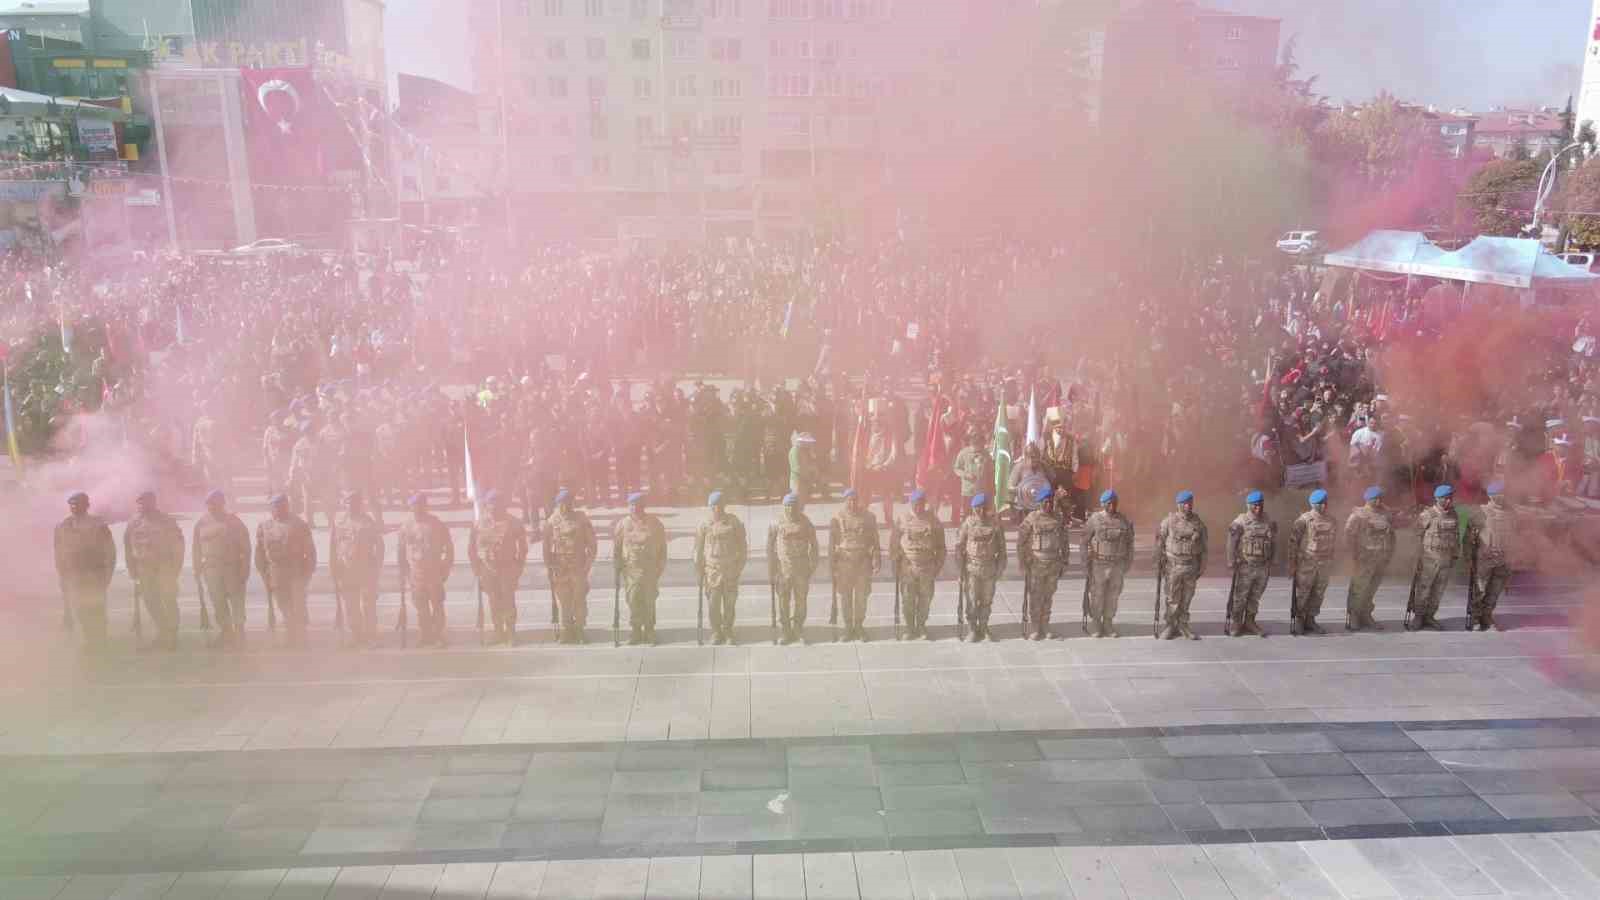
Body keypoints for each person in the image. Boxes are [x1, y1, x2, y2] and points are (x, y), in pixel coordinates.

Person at [123, 490, 186, 652]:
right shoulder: (133, 523)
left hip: (164, 567)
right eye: (139, 502)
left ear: (153, 502)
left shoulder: (167, 521)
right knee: (150, 601)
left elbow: (179, 546)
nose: (142, 505)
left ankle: (172, 635)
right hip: (144, 569)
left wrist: (176, 568)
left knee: (169, 600)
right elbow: (128, 548)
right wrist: (132, 569)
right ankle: (162, 631)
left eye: (145, 502)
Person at [54, 492, 116, 653]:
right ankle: (90, 641)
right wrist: (62, 576)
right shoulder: (63, 526)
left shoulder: (98, 524)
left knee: (97, 609)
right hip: (75, 575)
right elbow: (59, 553)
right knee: (81, 610)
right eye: (72, 504)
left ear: (87, 505)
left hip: (95, 574)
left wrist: (107, 574)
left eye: (78, 504)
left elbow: (110, 550)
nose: (74, 507)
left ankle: (101, 641)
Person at [191, 490, 252, 649]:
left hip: (231, 567)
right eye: (209, 503)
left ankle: (239, 634)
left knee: (236, 601)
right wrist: (196, 567)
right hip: (211, 568)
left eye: (215, 503)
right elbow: (196, 548)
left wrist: (245, 570)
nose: (211, 506)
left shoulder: (234, 522)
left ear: (222, 504)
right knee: (218, 601)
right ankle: (226, 633)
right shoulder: (201, 523)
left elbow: (246, 549)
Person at [468, 489, 529, 646]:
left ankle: (511, 633)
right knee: (494, 602)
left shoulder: (514, 523)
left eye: (497, 503)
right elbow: (471, 548)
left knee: (508, 601)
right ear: (487, 505)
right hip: (488, 568)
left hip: (507, 567)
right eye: (491, 503)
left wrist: (519, 566)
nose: (494, 507)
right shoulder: (479, 523)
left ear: (503, 504)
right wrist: (476, 569)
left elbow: (523, 547)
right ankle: (498, 632)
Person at [255, 494, 317, 647]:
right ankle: (291, 634)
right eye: (275, 506)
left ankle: (301, 637)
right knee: (283, 605)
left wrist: (307, 574)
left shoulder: (299, 524)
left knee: (298, 605)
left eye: (281, 505)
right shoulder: (264, 526)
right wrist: (263, 573)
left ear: (287, 506)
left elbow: (310, 552)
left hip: (296, 571)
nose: (278, 509)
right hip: (276, 572)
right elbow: (260, 552)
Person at [398, 493, 455, 648]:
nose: (416, 508)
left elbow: (449, 548)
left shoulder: (436, 524)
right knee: (421, 608)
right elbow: (401, 551)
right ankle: (425, 635)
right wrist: (403, 573)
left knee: (437, 606)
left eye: (419, 505)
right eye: (413, 505)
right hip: (416, 575)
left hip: (434, 574)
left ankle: (438, 635)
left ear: (425, 506)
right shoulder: (405, 526)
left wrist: (446, 568)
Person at [890, 489, 947, 640]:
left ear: (925, 504)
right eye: (915, 504)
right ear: (911, 504)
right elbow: (894, 544)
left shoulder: (933, 521)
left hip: (927, 567)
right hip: (908, 567)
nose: (918, 507)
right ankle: (909, 628)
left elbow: (941, 547)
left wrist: (937, 567)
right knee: (908, 599)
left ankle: (921, 626)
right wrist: (895, 564)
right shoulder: (902, 519)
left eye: (921, 504)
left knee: (925, 599)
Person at [542, 488, 598, 644]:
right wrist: (549, 567)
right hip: (560, 569)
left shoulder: (581, 519)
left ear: (571, 503)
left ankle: (579, 630)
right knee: (563, 602)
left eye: (567, 503)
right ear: (557, 504)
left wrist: (587, 566)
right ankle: (566, 631)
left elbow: (592, 545)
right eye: (561, 503)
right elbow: (546, 547)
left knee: (579, 600)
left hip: (578, 568)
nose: (564, 506)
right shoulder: (551, 521)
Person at [331, 490, 385, 649]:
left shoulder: (368, 522)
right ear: (344, 504)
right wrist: (333, 567)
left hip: (366, 570)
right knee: (350, 605)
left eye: (355, 502)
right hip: (346, 570)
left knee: (368, 605)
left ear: (360, 504)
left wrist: (377, 567)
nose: (352, 505)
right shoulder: (338, 522)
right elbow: (333, 546)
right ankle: (356, 636)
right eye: (348, 502)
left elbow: (380, 545)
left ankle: (370, 636)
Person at [613, 491, 667, 645]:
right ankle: (636, 631)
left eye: (638, 505)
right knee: (633, 600)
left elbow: (663, 548)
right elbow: (616, 550)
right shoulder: (622, 524)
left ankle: (650, 631)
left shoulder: (655, 523)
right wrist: (617, 570)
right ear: (628, 506)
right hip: (630, 570)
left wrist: (659, 569)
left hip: (649, 570)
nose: (635, 508)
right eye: (632, 505)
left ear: (644, 506)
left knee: (649, 601)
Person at [828, 488, 882, 642]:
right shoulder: (836, 518)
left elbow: (875, 541)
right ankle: (847, 627)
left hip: (862, 563)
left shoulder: (869, 517)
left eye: (854, 500)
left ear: (858, 500)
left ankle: (858, 626)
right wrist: (831, 566)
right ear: (844, 501)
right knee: (845, 597)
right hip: (844, 564)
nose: (852, 503)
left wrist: (876, 559)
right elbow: (832, 544)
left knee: (861, 597)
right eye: (849, 500)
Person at [694, 491, 747, 645]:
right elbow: (698, 549)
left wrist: (739, 567)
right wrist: (699, 572)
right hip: (712, 571)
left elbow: (743, 547)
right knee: (713, 604)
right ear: (710, 507)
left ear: (724, 505)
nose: (717, 508)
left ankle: (728, 631)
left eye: (719, 505)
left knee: (730, 604)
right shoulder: (704, 524)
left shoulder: (734, 522)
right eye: (714, 505)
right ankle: (716, 632)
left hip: (730, 570)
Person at [767, 493, 820, 644]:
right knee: (783, 601)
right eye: (787, 506)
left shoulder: (806, 523)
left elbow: (814, 546)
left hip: (801, 569)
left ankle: (798, 629)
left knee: (801, 601)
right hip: (783, 569)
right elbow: (770, 548)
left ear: (798, 507)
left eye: (793, 506)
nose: (790, 509)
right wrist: (771, 571)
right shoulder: (775, 523)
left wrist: (812, 566)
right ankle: (786, 631)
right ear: (783, 507)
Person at [1017, 484, 1068, 640]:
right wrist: (1023, 562)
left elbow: (1064, 541)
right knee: (1036, 596)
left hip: (1053, 563)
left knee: (1048, 596)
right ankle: (1035, 627)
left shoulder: (1058, 518)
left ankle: (1045, 626)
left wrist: (1065, 561)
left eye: (1050, 501)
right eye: (1045, 501)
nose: (1048, 504)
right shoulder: (1031, 518)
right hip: (1037, 563)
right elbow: (1021, 541)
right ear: (1039, 502)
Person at [1081, 489, 1133, 638]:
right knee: (1097, 595)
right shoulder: (1095, 520)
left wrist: (1128, 562)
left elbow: (1129, 543)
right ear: (1103, 504)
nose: (1112, 506)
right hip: (1099, 564)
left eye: (1114, 503)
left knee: (1113, 595)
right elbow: (1084, 542)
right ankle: (1096, 623)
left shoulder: (1123, 520)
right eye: (1109, 503)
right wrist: (1085, 563)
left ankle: (1108, 623)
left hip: (1117, 564)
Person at [1156, 490, 1207, 640]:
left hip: (1191, 566)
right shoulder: (1168, 522)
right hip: (1173, 566)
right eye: (1185, 503)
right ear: (1178, 505)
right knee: (1172, 598)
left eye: (1190, 503)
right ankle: (1170, 625)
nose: (1188, 506)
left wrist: (1202, 566)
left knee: (1187, 598)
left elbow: (1204, 547)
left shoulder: (1198, 523)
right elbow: (1159, 543)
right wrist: (1158, 563)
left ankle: (1183, 625)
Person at [955, 493, 1007, 641]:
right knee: (971, 600)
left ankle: (984, 627)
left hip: (989, 568)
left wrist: (1000, 568)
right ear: (973, 508)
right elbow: (959, 548)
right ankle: (972, 629)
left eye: (984, 508)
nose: (981, 511)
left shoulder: (995, 525)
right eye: (978, 508)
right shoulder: (967, 524)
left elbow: (1002, 550)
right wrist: (960, 571)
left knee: (986, 600)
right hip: (972, 568)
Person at [1466, 480, 1515, 631]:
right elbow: (1469, 539)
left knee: (1494, 591)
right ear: (1492, 496)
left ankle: (1487, 617)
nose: (1502, 497)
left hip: (1502, 560)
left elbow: (1514, 538)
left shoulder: (1511, 513)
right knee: (1480, 590)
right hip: (1485, 560)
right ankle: (1474, 617)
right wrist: (1468, 558)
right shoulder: (1480, 513)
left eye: (1503, 493)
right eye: (1499, 494)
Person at [1225, 490, 1275, 637]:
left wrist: (1272, 559)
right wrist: (1231, 561)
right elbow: (1231, 543)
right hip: (1245, 566)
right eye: (1255, 505)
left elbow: (1273, 542)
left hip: (1262, 567)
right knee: (1240, 597)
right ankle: (1236, 623)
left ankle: (1250, 621)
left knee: (1255, 597)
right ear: (1248, 505)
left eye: (1260, 505)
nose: (1258, 508)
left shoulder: (1268, 521)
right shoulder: (1240, 522)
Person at [1343, 485, 1394, 631]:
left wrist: (1390, 553)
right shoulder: (1358, 515)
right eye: (1375, 499)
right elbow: (1348, 537)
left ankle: (1366, 615)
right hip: (1364, 559)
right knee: (1359, 588)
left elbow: (1391, 535)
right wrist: (1354, 555)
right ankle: (1354, 615)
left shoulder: (1386, 514)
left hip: (1380, 559)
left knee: (1371, 589)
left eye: (1380, 498)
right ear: (1368, 499)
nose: (1378, 501)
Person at [1409, 483, 1459, 631]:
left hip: (1446, 559)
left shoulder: (1453, 514)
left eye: (1450, 497)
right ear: (1438, 499)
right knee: (1423, 590)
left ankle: (1429, 616)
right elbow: (1416, 534)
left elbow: (1456, 536)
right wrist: (1417, 556)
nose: (1449, 501)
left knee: (1438, 591)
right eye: (1446, 498)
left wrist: (1455, 554)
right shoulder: (1427, 515)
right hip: (1429, 560)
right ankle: (1418, 617)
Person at [1288, 489, 1338, 634]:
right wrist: (1292, 564)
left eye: (1324, 503)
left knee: (1318, 593)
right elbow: (1293, 543)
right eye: (1319, 504)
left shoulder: (1332, 520)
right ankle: (1299, 620)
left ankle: (1311, 620)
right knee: (1303, 593)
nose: (1323, 506)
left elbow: (1333, 542)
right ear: (1313, 504)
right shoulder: (1303, 520)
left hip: (1325, 563)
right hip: (1307, 563)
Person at [951, 428, 992, 527]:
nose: (978, 446)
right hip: (968, 491)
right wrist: (965, 475)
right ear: (971, 442)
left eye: (980, 443)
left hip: (982, 491)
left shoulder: (986, 454)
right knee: (967, 514)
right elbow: (956, 468)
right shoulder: (963, 453)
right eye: (976, 444)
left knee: (982, 513)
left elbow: (991, 470)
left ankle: (981, 531)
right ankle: (965, 533)